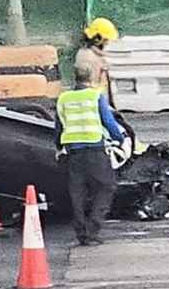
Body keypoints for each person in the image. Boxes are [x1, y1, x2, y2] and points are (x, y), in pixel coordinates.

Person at [55, 62, 130, 246]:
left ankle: (81, 232)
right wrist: (120, 139)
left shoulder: (63, 98)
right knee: (106, 187)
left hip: (73, 151)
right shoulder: (95, 96)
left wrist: (58, 146)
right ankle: (93, 228)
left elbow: (59, 126)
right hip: (95, 149)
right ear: (90, 78)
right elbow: (108, 121)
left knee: (77, 192)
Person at [76, 18, 119, 95]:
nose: (107, 43)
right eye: (106, 40)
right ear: (97, 39)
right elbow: (90, 90)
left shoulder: (92, 53)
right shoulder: (88, 57)